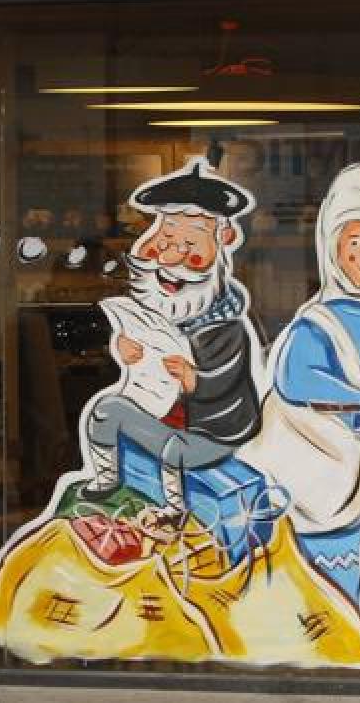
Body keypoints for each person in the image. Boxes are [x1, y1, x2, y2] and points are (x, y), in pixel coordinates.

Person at [239, 163, 360, 660]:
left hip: (349, 478)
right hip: (305, 478)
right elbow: (297, 379)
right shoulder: (315, 322)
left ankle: (344, 643)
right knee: (302, 569)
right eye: (355, 245)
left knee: (344, 567)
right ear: (334, 256)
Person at [78, 160, 264, 522]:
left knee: (173, 452)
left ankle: (175, 512)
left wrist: (195, 380)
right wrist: (123, 349)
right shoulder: (151, 312)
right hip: (159, 415)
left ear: (222, 242)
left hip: (210, 432)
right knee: (106, 411)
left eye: (189, 244)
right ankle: (106, 481)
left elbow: (228, 383)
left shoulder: (225, 329)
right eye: (163, 240)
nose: (170, 256)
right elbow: (128, 359)